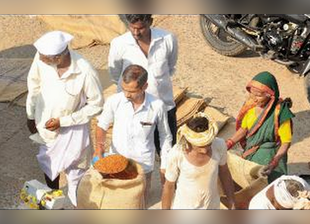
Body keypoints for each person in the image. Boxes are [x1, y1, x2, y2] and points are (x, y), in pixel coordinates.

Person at [26, 31, 103, 206]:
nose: (41, 60)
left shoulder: (85, 71)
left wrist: (64, 122)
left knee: (76, 173)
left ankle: (77, 207)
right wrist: (30, 115)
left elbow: (96, 105)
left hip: (73, 131)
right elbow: (34, 85)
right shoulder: (41, 58)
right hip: (45, 127)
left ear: (59, 57)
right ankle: (53, 201)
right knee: (49, 165)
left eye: (46, 58)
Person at [108, 14, 178, 183]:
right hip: (133, 110)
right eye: (132, 27)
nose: (136, 32)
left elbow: (171, 66)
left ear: (150, 22)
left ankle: (169, 187)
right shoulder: (119, 44)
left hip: (165, 107)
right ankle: (133, 188)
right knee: (133, 152)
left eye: (140, 28)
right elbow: (115, 74)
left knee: (168, 149)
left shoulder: (167, 39)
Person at [95, 64, 172, 208]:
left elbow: (165, 136)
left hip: (143, 165)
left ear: (144, 87)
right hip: (117, 164)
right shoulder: (114, 101)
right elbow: (102, 125)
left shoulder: (157, 106)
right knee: (116, 203)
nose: (127, 94)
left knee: (140, 202)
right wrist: (99, 149)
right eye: (124, 89)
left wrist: (164, 164)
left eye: (132, 91)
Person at [225, 71, 294, 183]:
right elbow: (244, 129)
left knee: (267, 185)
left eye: (258, 95)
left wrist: (273, 163)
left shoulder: (279, 112)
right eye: (251, 94)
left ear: (270, 95)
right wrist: (229, 143)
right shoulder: (251, 106)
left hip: (271, 154)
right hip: (252, 150)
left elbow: (286, 143)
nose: (254, 98)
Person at [162, 113, 235, 209]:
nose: (204, 150)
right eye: (200, 146)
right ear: (190, 142)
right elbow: (169, 186)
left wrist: (231, 202)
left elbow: (224, 173)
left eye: (208, 144)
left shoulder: (219, 145)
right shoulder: (177, 153)